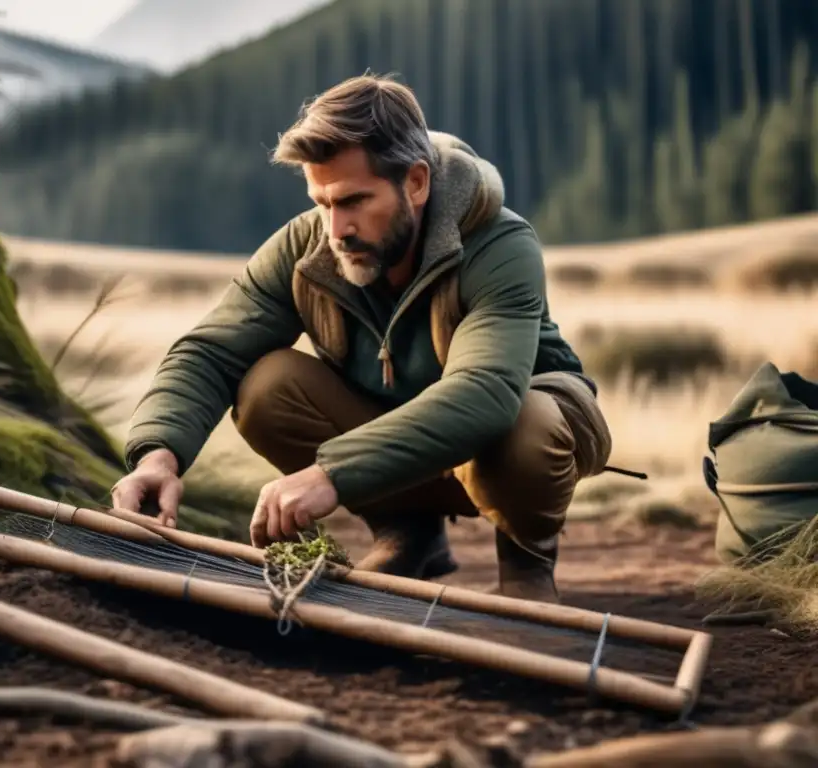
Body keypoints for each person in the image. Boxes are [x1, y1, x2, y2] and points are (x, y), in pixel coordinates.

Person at [112, 74, 612, 603]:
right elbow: (211, 352)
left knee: (526, 426)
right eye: (322, 203)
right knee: (266, 386)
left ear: (416, 183)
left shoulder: (501, 244)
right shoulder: (308, 246)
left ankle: (527, 559)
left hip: (507, 442)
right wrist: (157, 456)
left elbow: (484, 394)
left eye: (353, 201)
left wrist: (332, 473)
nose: (337, 229)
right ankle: (407, 534)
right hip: (399, 445)